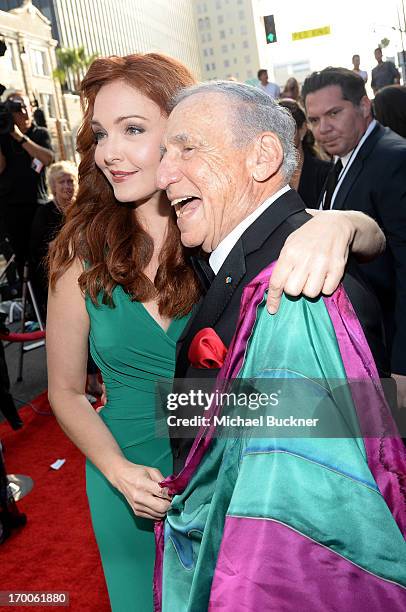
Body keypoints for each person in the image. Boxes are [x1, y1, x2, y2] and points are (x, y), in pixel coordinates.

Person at [47, 54, 385, 611]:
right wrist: (116, 470)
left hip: (235, 471)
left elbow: (365, 250)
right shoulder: (81, 254)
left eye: (133, 130)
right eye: (100, 134)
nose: (109, 151)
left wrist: (340, 224)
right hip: (123, 473)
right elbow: (63, 389)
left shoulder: (215, 231)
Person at [155, 80, 406, 612]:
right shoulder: (253, 261)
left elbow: (303, 545)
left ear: (263, 156)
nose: (163, 174)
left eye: (186, 148)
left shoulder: (295, 293)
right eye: (163, 154)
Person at [302, 67, 406, 410]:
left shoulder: (393, 158)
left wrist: (403, 366)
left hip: (390, 345)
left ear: (364, 106)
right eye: (315, 120)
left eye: (334, 113)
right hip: (363, 348)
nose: (323, 128)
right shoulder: (345, 158)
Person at [0, 92, 53, 281]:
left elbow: (47, 158)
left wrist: (20, 137)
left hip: (38, 205)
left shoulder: (39, 133)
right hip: (11, 207)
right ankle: (30, 303)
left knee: (43, 256)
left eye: (25, 106)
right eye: (17, 109)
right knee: (23, 260)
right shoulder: (3, 136)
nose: (23, 112)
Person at [30, 161, 78, 316]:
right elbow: (38, 249)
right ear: (53, 187)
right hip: (54, 269)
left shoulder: (83, 208)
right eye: (61, 182)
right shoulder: (44, 213)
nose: (67, 186)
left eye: (70, 181)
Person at [278, 99, 332, 208]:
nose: (282, 137)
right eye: (276, 131)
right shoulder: (267, 177)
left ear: (302, 129)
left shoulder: (326, 173)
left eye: (288, 129)